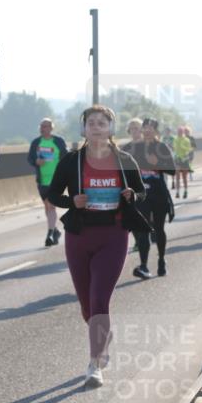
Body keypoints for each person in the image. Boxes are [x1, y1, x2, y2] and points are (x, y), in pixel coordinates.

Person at [46, 105, 147, 387]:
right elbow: (52, 194)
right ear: (84, 128)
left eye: (102, 122)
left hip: (113, 236)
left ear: (111, 128)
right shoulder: (71, 161)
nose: (96, 126)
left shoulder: (124, 159)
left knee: (100, 300)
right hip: (79, 236)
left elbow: (141, 192)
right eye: (91, 122)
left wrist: (131, 196)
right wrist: (71, 201)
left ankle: (94, 364)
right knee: (87, 307)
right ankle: (102, 336)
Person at [125, 118, 175, 279]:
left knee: (159, 229)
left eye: (150, 128)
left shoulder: (161, 147)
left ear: (155, 131)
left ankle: (161, 261)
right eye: (144, 128)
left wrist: (158, 163)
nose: (147, 130)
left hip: (159, 193)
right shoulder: (132, 148)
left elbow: (173, 171)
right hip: (141, 195)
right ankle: (144, 266)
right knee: (142, 230)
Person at [27, 118, 67, 247]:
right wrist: (36, 162)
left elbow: (66, 157)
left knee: (50, 205)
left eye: (46, 126)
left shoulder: (58, 141)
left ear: (51, 128)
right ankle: (55, 230)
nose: (43, 128)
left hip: (56, 179)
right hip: (42, 179)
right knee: (47, 205)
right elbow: (30, 158)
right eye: (41, 126)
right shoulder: (36, 142)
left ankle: (50, 233)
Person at [172, 125, 193, 199]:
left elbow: (189, 149)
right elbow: (174, 148)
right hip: (177, 159)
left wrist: (183, 147)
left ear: (183, 132)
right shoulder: (175, 139)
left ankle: (185, 191)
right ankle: (177, 192)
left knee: (184, 177)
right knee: (177, 177)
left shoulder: (186, 140)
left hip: (184, 159)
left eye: (181, 131)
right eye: (178, 131)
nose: (179, 132)